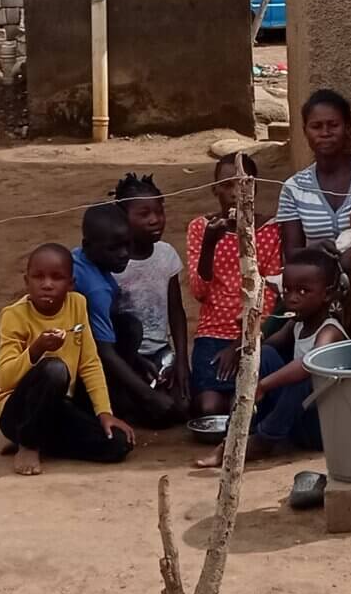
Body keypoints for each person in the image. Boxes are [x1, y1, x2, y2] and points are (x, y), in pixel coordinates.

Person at [196, 247, 345, 468]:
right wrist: (248, 328)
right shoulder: (296, 324)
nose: (292, 299)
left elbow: (308, 365)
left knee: (304, 378)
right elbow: (264, 345)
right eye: (287, 291)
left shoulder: (330, 331)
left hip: (322, 431)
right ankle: (242, 432)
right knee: (265, 355)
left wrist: (263, 386)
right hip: (295, 422)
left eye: (303, 291)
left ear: (327, 294)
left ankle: (260, 442)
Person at [0, 244, 136, 473]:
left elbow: (90, 363)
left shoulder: (77, 304)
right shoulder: (14, 315)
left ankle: (43, 442)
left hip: (58, 406)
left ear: (71, 284)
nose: (47, 285)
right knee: (54, 370)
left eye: (57, 278)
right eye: (38, 277)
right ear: (26, 281)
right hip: (18, 412)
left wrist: (104, 413)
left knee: (118, 444)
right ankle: (28, 442)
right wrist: (36, 349)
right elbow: (4, 380)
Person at [184, 153, 284, 417]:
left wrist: (242, 341)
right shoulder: (200, 228)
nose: (235, 193)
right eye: (227, 185)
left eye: (243, 185)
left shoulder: (270, 231)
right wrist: (209, 244)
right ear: (214, 189)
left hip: (257, 333)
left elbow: (272, 295)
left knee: (245, 408)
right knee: (210, 408)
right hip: (212, 334)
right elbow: (199, 292)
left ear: (255, 187)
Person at [72, 201, 182, 427]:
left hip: (82, 345)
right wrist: (149, 396)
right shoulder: (97, 288)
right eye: (114, 248)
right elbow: (104, 351)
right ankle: (94, 407)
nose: (124, 254)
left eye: (127, 245)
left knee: (129, 325)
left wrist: (139, 361)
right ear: (88, 245)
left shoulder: (84, 260)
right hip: (69, 360)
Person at [274, 90, 351, 254]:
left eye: (333, 125)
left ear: (347, 127)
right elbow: (292, 253)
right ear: (305, 131)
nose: (325, 133)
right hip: (317, 274)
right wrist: (316, 251)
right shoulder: (294, 188)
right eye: (316, 126)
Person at [110, 173, 187, 402]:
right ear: (123, 217)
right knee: (154, 410)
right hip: (125, 355)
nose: (155, 220)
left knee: (183, 406)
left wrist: (182, 362)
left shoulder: (166, 254)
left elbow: (176, 311)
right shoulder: (115, 263)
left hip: (160, 352)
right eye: (144, 215)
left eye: (159, 212)